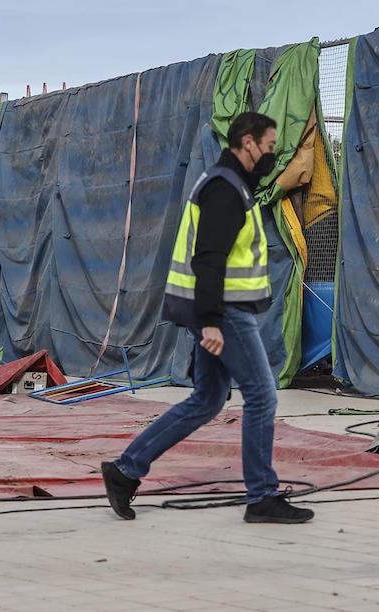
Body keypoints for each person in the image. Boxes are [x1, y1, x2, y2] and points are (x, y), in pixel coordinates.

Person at [101, 112, 314, 524]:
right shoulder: (223, 190)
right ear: (248, 143)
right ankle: (262, 497)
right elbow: (210, 259)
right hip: (225, 311)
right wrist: (212, 321)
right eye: (269, 146)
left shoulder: (230, 186)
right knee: (262, 396)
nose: (272, 154)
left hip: (219, 309)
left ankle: (126, 471)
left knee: (207, 399)